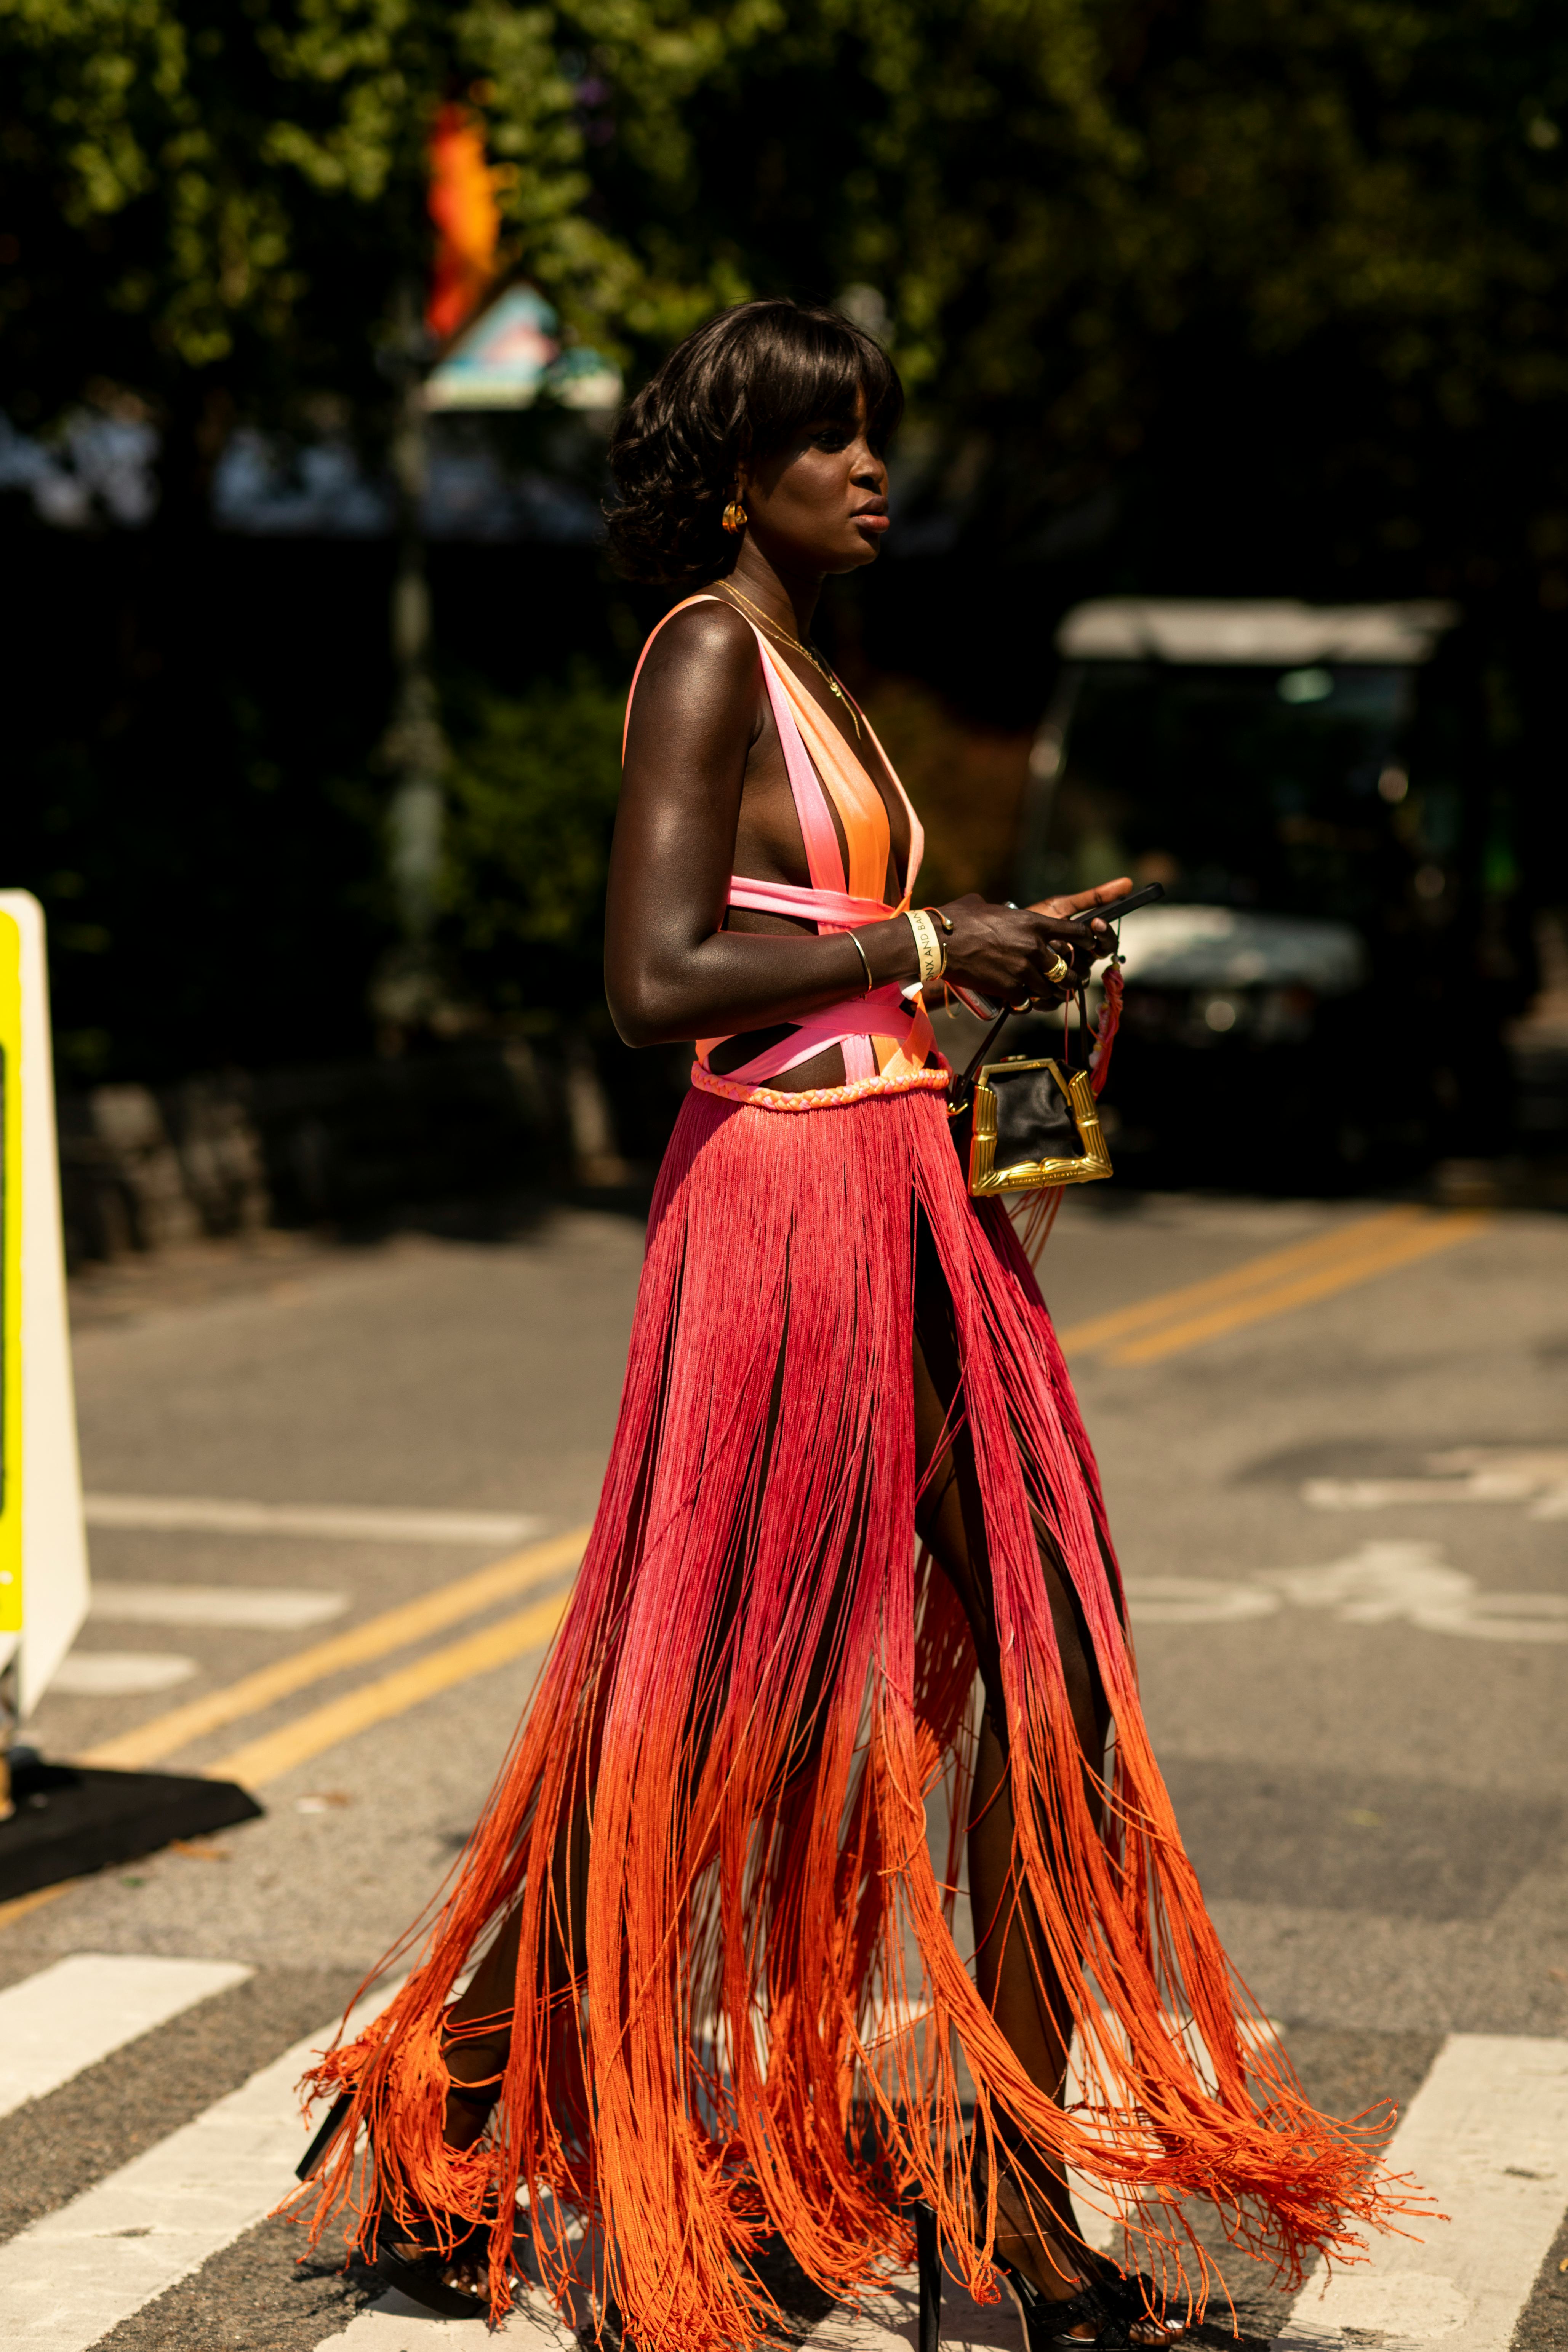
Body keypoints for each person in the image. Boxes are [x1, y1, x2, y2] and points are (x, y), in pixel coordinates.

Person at [298, 298, 1410, 2349]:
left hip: (900, 1198)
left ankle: (985, 2173)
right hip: (786, 1218)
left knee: (1031, 1676)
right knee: (737, 1712)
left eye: (874, 433)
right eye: (826, 440)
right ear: (738, 476)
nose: (869, 468)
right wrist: (923, 932)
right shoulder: (710, 653)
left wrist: (994, 975)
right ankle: (471, 2094)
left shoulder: (825, 667)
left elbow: (824, 956)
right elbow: (649, 975)